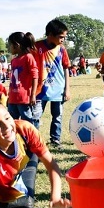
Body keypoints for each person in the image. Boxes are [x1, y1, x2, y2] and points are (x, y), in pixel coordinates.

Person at [34, 19, 71, 147]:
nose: (63, 40)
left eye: (64, 37)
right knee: (36, 116)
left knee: (57, 116)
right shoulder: (36, 47)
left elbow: (66, 68)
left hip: (58, 89)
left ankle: (55, 140)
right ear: (50, 34)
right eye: (61, 37)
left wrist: (67, 89)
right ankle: (35, 141)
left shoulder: (62, 49)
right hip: (40, 90)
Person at [7, 31, 38, 125]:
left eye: (10, 45)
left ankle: (30, 139)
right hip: (13, 98)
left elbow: (35, 76)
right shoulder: (13, 61)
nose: (9, 48)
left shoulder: (28, 57)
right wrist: (9, 95)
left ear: (16, 45)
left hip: (24, 98)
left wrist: (33, 94)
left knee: (27, 121)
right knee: (12, 122)